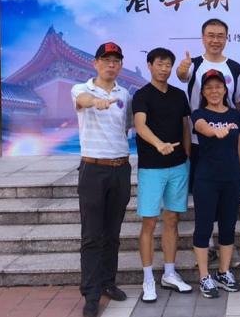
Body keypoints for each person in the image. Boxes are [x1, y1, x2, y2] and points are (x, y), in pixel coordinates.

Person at [175, 18, 240, 266]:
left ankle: (226, 249)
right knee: (205, 199)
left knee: (227, 202)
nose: (215, 40)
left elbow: (237, 102)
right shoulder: (193, 65)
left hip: (227, 143)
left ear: (227, 38)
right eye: (211, 35)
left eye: (220, 35)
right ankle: (208, 246)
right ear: (203, 37)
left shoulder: (234, 68)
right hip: (199, 142)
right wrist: (182, 68)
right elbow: (182, 75)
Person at [71, 42, 133, 317]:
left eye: (116, 60)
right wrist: (96, 102)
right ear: (95, 63)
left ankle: (108, 282)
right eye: (106, 59)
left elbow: (128, 126)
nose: (111, 64)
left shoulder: (125, 94)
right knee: (92, 236)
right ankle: (91, 294)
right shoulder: (81, 89)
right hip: (93, 170)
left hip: (120, 168)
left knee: (112, 233)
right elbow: (82, 101)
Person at [132, 47, 192, 303]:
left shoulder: (179, 95)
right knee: (149, 222)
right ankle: (148, 279)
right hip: (151, 168)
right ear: (149, 65)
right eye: (160, 64)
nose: (164, 69)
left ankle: (169, 273)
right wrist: (158, 144)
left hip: (178, 167)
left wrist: (187, 156)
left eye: (168, 65)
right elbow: (140, 125)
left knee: (172, 220)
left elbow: (185, 126)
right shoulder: (142, 95)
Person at [190, 69, 240, 298]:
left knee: (228, 226)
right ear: (203, 92)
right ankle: (204, 276)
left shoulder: (235, 115)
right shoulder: (199, 114)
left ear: (225, 90)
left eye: (218, 87)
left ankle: (224, 272)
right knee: (204, 226)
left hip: (232, 179)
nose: (214, 91)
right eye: (209, 88)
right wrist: (216, 131)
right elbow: (201, 127)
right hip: (206, 179)